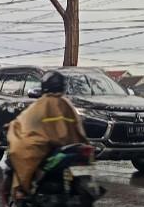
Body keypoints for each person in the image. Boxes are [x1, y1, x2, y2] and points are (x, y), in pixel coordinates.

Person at [6, 70, 88, 198]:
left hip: (46, 145)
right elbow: (78, 127)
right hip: (68, 145)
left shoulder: (42, 104)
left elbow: (24, 123)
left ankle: (23, 188)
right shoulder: (67, 104)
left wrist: (12, 127)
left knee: (19, 150)